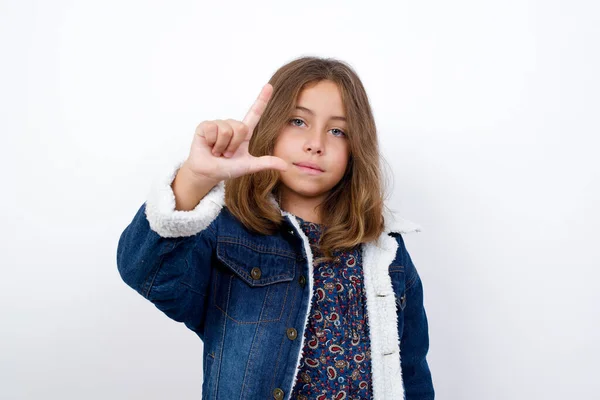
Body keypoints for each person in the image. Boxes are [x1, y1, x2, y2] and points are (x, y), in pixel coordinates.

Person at [117, 56, 434, 400]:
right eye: (298, 121)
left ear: (356, 147)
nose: (316, 143)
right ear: (270, 128)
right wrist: (195, 179)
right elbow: (144, 270)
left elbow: (411, 372)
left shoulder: (386, 251)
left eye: (337, 131)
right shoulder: (227, 234)